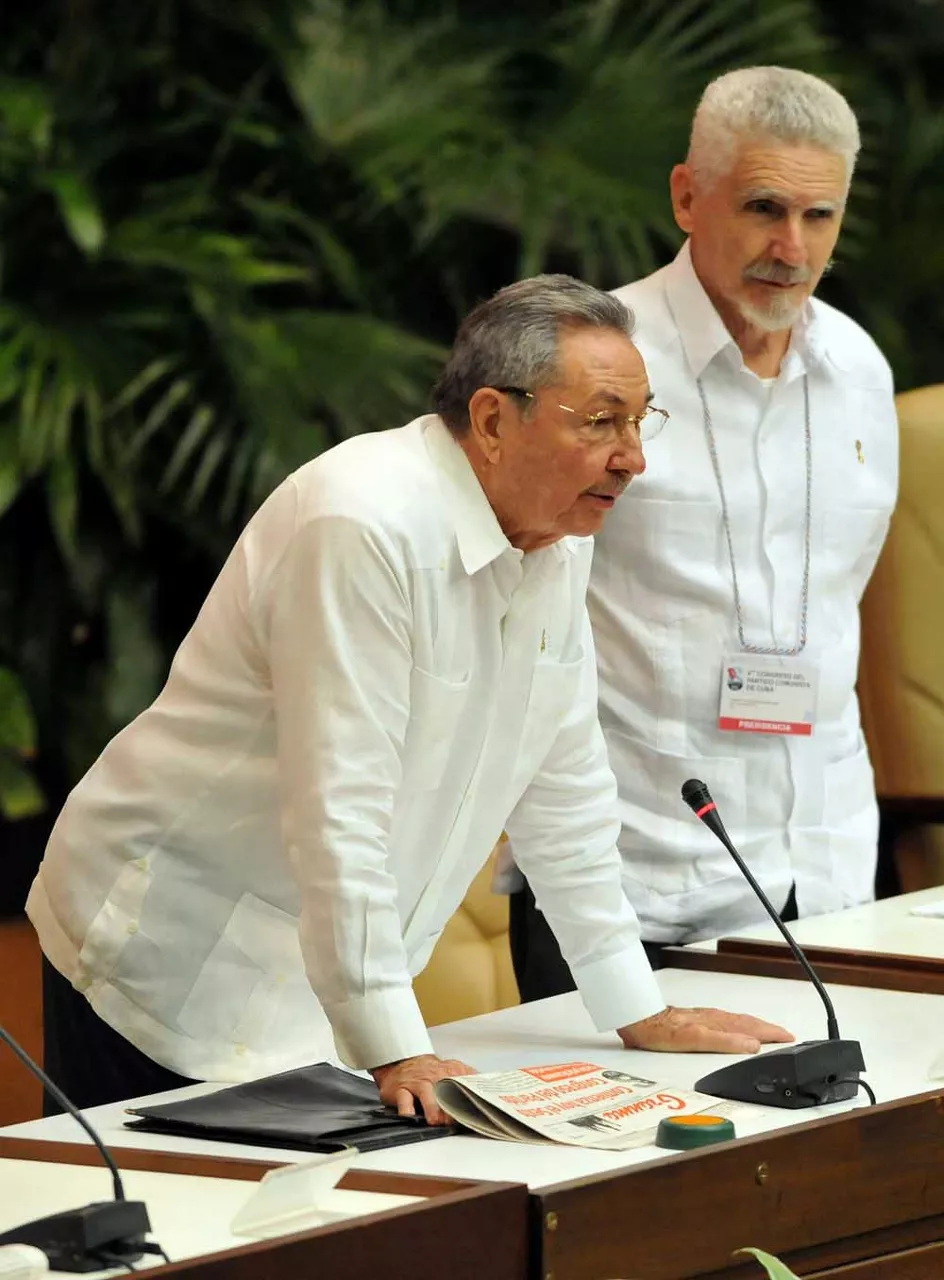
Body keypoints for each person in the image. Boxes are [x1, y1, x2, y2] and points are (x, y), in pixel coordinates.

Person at [27, 276, 792, 1122]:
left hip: (312, 974)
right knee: (174, 1238)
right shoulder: (360, 525)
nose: (633, 457)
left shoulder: (554, 538)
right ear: (496, 421)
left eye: (641, 420)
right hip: (167, 951)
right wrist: (395, 1045)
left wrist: (634, 1005)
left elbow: (564, 790)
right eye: (602, 421)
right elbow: (338, 808)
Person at [507, 67, 898, 1002]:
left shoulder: (858, 368)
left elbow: (841, 607)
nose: (790, 248)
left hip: (829, 874)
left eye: (820, 217)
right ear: (688, 196)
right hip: (627, 883)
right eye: (765, 208)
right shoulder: (592, 362)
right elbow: (509, 603)